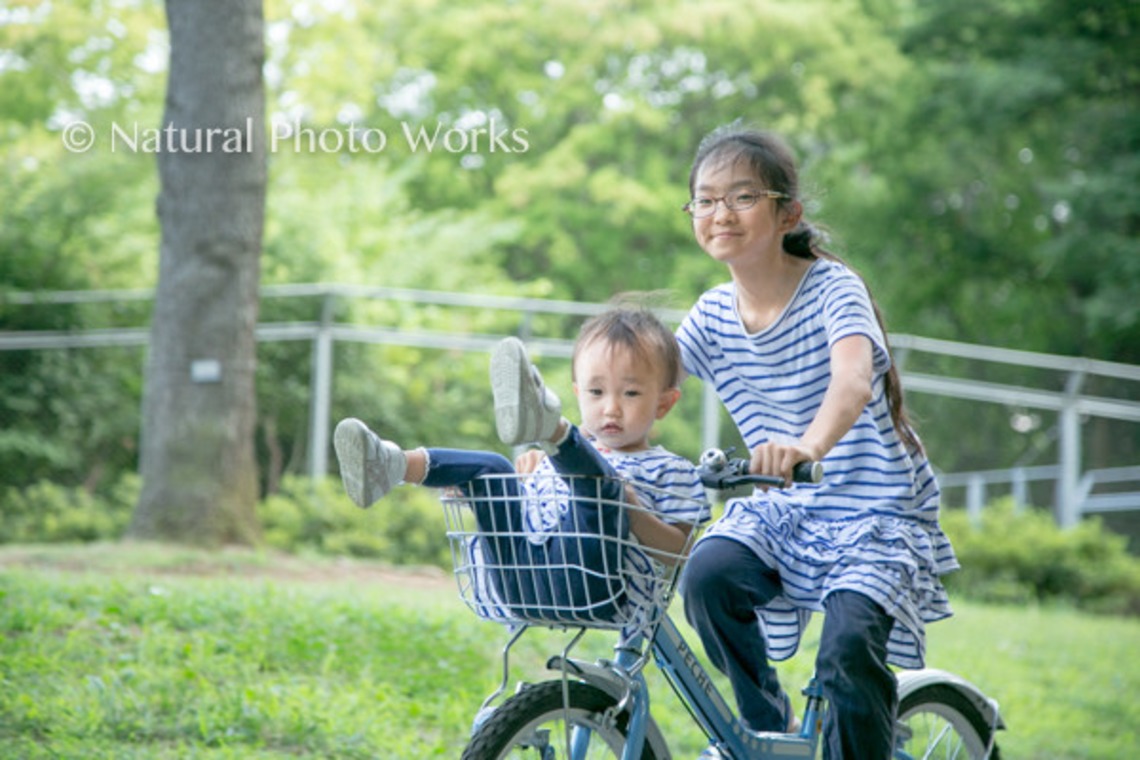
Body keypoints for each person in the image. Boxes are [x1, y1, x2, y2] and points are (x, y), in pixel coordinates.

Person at [674, 123, 959, 759]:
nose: (720, 212)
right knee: (708, 576)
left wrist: (807, 446)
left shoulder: (833, 288)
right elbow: (646, 383)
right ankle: (765, 733)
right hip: (784, 512)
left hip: (874, 511)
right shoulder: (712, 315)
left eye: (743, 197)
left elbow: (854, 378)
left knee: (849, 645)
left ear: (787, 213)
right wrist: (570, 442)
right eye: (705, 198)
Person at [333, 305, 708, 627]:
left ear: (663, 403)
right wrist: (508, 493)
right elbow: (527, 515)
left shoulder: (670, 470)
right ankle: (391, 465)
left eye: (631, 393)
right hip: (521, 578)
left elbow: (682, 551)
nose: (610, 408)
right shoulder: (549, 465)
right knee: (494, 469)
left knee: (599, 486)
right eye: (596, 392)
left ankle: (551, 425)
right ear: (578, 394)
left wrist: (630, 508)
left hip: (600, 588)